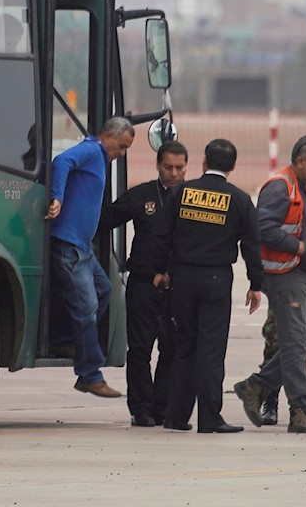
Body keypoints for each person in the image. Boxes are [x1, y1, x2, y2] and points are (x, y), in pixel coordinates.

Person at [153, 139, 263, 433]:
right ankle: (210, 419)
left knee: (185, 347)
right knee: (211, 351)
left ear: (204, 162)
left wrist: (160, 271)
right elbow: (252, 245)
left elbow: (162, 234)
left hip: (183, 279)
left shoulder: (181, 192)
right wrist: (256, 284)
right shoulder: (239, 199)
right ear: (233, 166)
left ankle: (176, 416)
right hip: (216, 280)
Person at [234, 135, 306, 434]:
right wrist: (300, 248)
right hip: (287, 273)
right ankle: (301, 410)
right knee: (293, 343)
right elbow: (263, 228)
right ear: (300, 161)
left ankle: (256, 385)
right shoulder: (280, 187)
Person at [99, 140, 188, 427]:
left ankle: (163, 406)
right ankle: (141, 408)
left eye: (179, 167)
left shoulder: (192, 197)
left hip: (177, 287)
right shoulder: (142, 196)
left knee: (172, 349)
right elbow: (105, 219)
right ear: (158, 165)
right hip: (143, 284)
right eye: (168, 167)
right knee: (139, 349)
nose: (173, 173)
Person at [45, 117, 136, 398]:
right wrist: (57, 197)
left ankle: (64, 340)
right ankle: (89, 374)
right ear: (108, 136)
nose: (121, 153)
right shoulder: (91, 150)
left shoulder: (100, 157)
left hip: (82, 247)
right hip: (69, 244)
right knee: (86, 307)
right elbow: (61, 163)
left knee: (103, 289)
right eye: (121, 146)